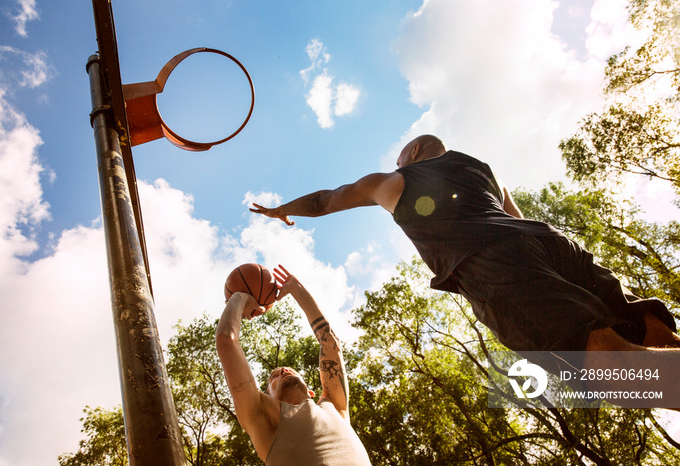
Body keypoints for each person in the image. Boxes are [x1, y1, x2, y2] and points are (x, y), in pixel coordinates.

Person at [250, 135, 680, 407]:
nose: (397, 163)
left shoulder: (396, 182)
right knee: (648, 331)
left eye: (401, 157)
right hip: (551, 243)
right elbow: (517, 218)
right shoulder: (486, 172)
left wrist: (282, 210)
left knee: (604, 365)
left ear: (415, 154)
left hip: (495, 262)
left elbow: (328, 199)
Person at [216, 265, 371, 465]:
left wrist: (297, 289)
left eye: (289, 371)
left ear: (312, 392)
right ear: (267, 397)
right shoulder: (261, 418)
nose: (282, 370)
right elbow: (226, 341)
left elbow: (330, 342)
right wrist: (240, 296)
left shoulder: (335, 407)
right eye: (273, 377)